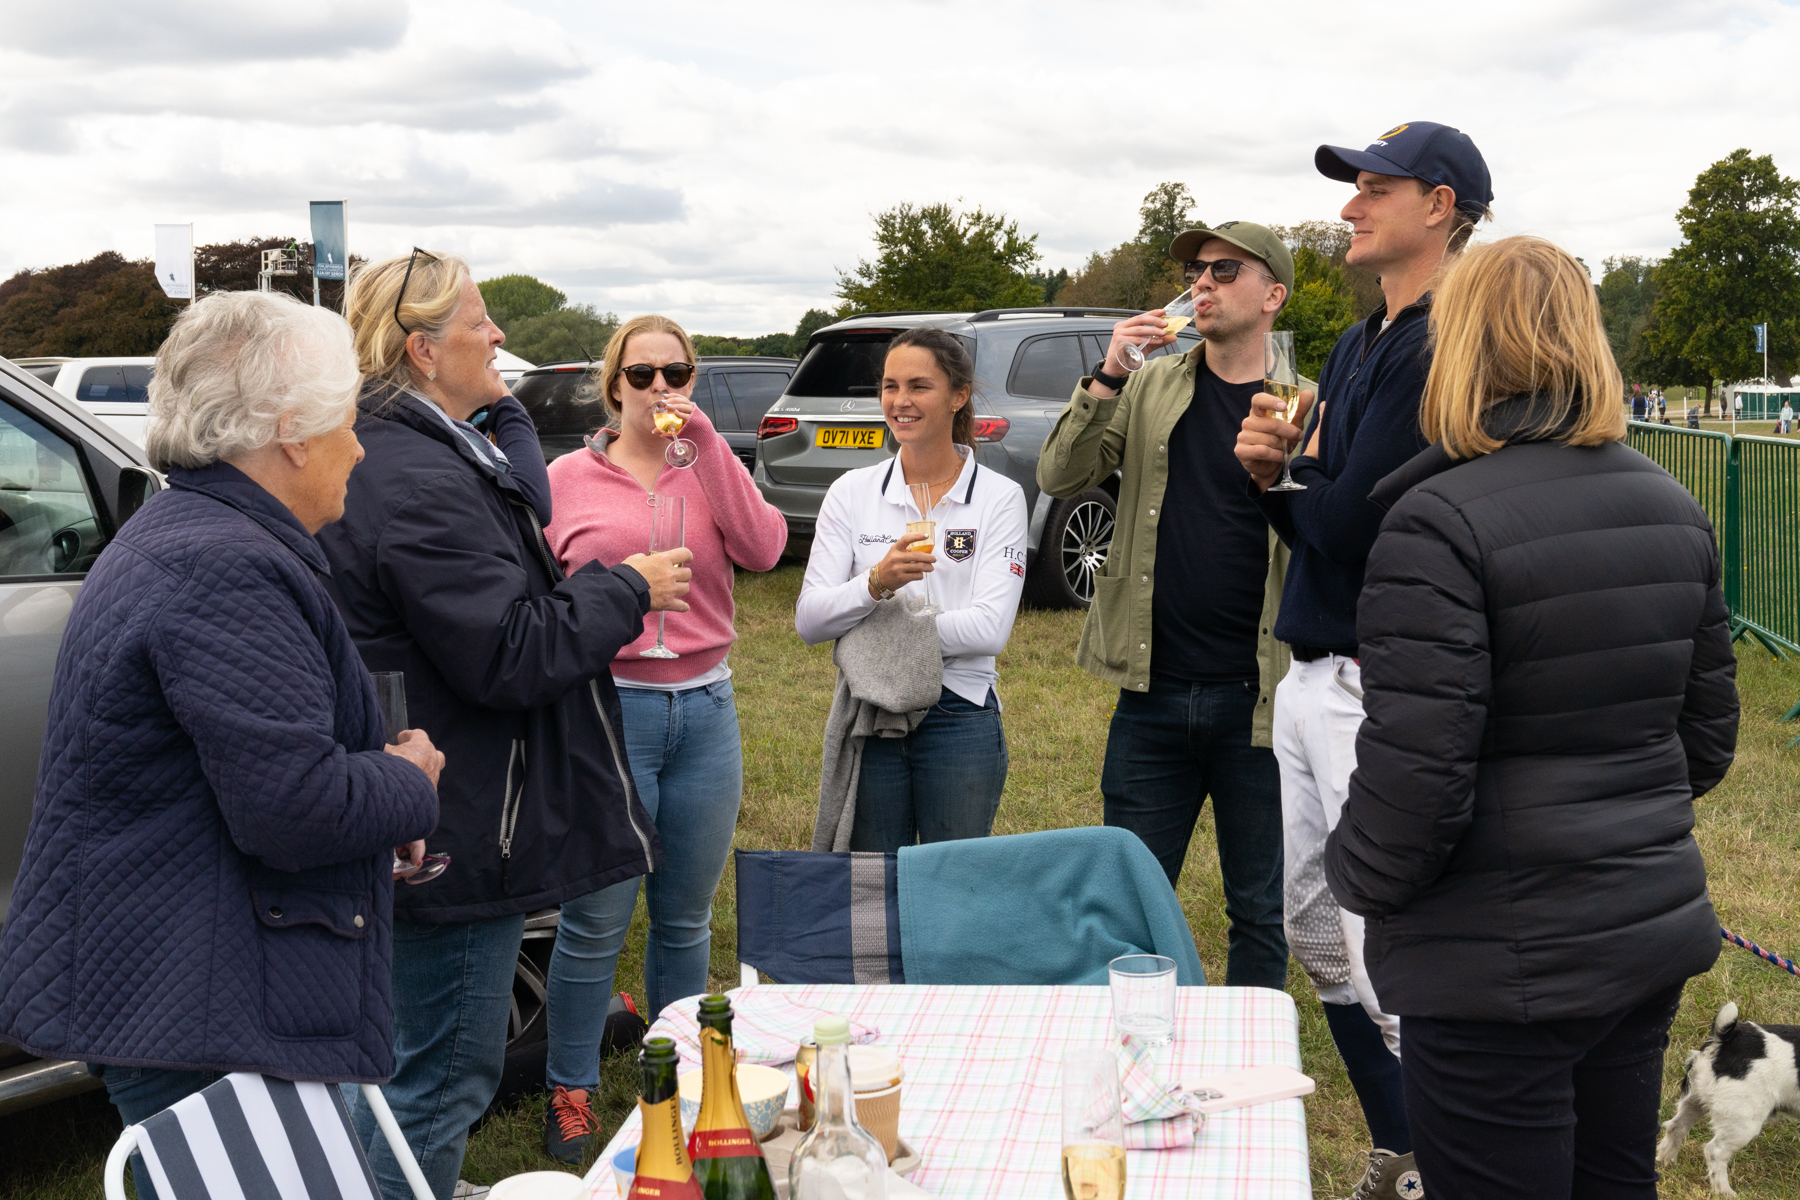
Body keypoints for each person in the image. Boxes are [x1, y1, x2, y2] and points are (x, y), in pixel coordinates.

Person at [0, 291, 443, 1200]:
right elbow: (294, 809)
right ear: (291, 432)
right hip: (200, 1006)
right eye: (347, 424)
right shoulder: (222, 564)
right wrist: (407, 781)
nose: (358, 447)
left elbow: (221, 786)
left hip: (194, 985)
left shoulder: (195, 534)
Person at [1325, 235, 1737, 1198]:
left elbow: (1416, 781)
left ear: (1459, 347)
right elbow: (1705, 741)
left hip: (1493, 969)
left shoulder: (1434, 522)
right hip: (1636, 934)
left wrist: (1355, 877)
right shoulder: (1673, 506)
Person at [316, 250, 693, 1199]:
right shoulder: (419, 478)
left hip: (429, 805)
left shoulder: (408, 445)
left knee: (396, 1068)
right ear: (422, 348)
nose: (498, 336)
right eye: (480, 322)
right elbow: (509, 654)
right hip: (460, 823)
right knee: (439, 1083)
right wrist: (624, 588)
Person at [1235, 120, 1493, 1197]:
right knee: (1317, 935)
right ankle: (1403, 1148)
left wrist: (1287, 478)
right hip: (1309, 673)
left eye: (1373, 189)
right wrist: (1283, 480)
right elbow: (1327, 512)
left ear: (1440, 205)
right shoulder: (1354, 341)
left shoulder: (1452, 340)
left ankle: (1454, 1156)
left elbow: (1358, 526)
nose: (1349, 208)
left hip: (1373, 683)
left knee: (1385, 948)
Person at [539, 315, 787, 1161]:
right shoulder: (567, 477)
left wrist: (710, 448)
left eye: (674, 373)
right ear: (613, 387)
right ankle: (569, 1087)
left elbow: (765, 549)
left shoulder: (706, 466)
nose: (658, 391)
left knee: (684, 919)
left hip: (706, 708)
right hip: (611, 711)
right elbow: (538, 600)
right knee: (595, 918)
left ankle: (677, 1077)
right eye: (640, 376)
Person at [1037, 220, 1294, 990]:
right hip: (1151, 695)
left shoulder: (1303, 402)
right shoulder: (1152, 382)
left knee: (1259, 909)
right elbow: (1059, 474)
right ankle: (1135, 1057)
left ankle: (1253, 1073)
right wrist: (1109, 372)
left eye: (1224, 270)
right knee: (1129, 906)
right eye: (1197, 273)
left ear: (1272, 296)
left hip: (1262, 701)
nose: (1203, 285)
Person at [796, 327, 1028, 851]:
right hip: (875, 707)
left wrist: (869, 637)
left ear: (958, 395)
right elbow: (810, 620)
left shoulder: (999, 497)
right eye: (889, 386)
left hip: (959, 710)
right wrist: (874, 583)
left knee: (954, 886)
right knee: (875, 889)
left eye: (919, 386)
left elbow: (989, 629)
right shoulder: (851, 492)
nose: (900, 402)